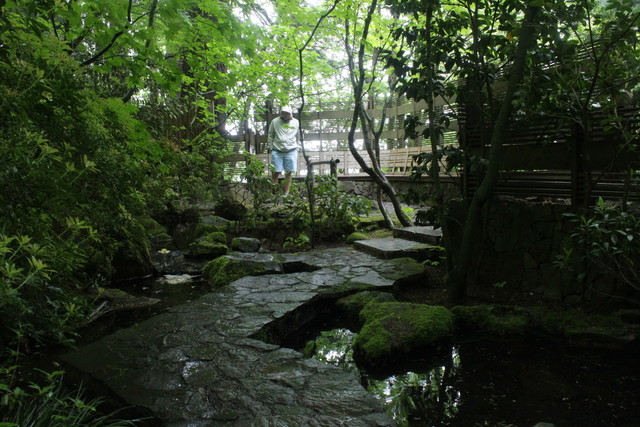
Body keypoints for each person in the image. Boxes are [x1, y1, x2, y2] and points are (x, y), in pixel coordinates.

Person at [267, 106, 301, 196]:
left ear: (290, 114)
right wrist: (271, 147)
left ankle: (286, 194)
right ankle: (273, 194)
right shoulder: (274, 121)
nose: (285, 115)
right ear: (281, 113)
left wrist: (298, 146)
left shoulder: (296, 122)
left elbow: (298, 136)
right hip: (277, 150)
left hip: (292, 150)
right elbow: (270, 135)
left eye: (287, 113)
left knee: (288, 173)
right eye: (283, 113)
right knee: (275, 172)